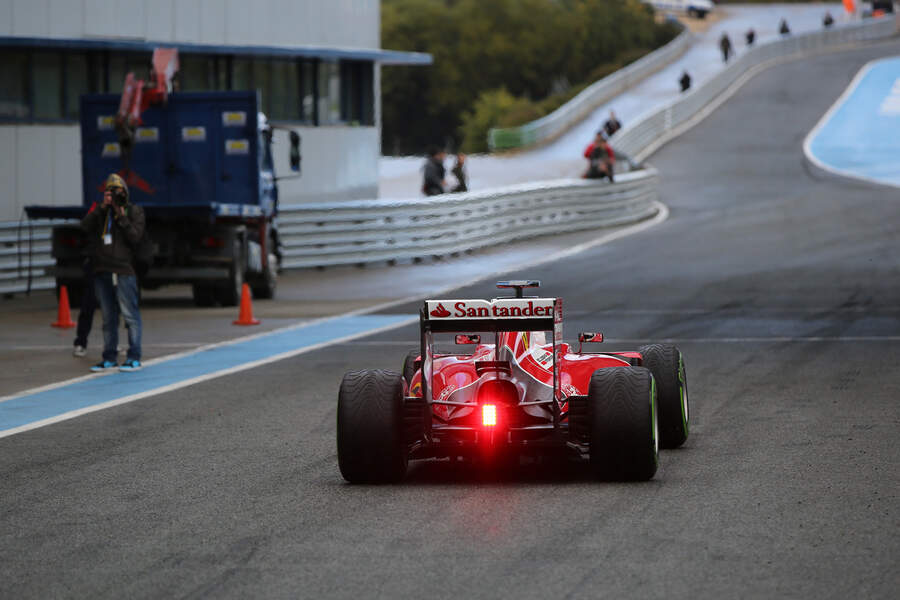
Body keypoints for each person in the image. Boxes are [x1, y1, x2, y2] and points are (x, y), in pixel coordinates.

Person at [81, 173, 145, 372]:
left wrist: (120, 213)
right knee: (108, 317)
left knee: (130, 314)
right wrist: (102, 208)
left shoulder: (134, 211)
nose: (112, 196)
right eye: (108, 192)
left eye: (116, 192)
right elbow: (84, 228)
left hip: (124, 270)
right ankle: (109, 357)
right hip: (102, 270)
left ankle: (134, 356)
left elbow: (135, 237)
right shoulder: (101, 212)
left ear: (124, 193)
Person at [72, 201, 100, 357]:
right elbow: (85, 226)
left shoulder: (120, 211)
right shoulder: (96, 209)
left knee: (112, 307)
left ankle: (112, 343)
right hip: (95, 263)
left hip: (112, 265)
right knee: (88, 304)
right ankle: (81, 342)